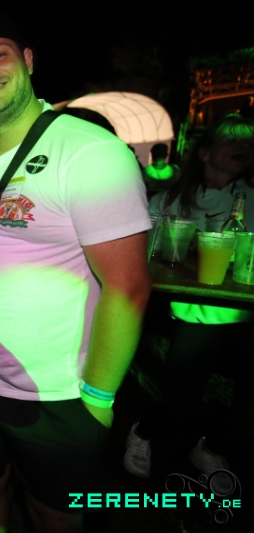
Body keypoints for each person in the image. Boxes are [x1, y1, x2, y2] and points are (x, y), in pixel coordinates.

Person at [0, 7, 151, 532]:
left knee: (51, 512)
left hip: (55, 394)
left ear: (29, 61)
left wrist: (98, 399)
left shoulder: (90, 153)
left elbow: (128, 288)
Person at [125, 115, 254, 491]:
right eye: (233, 140)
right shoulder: (169, 200)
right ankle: (144, 430)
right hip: (192, 313)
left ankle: (210, 448)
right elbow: (142, 255)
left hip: (246, 313)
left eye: (249, 143)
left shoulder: (250, 197)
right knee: (181, 402)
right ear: (205, 152)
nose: (243, 148)